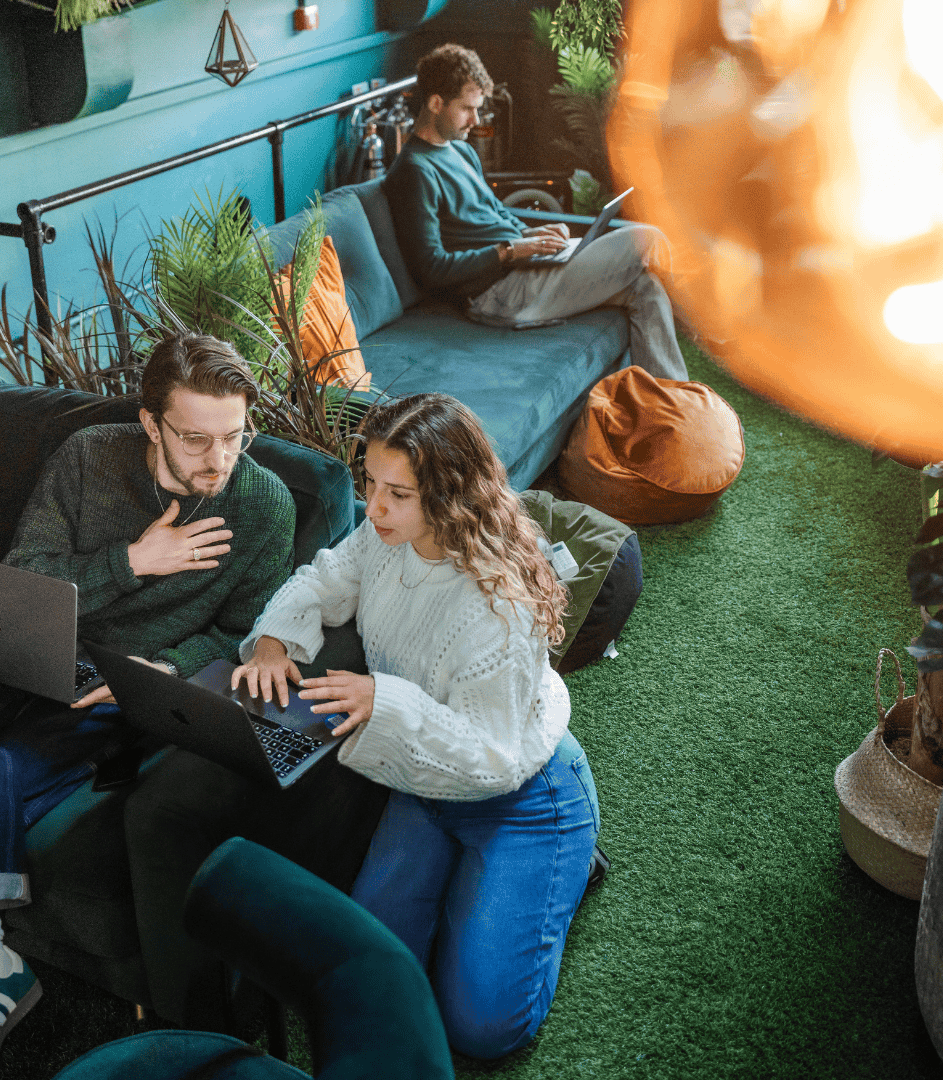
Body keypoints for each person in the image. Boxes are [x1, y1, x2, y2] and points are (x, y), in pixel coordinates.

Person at [0, 334, 297, 1080]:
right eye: (195, 439)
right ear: (150, 423)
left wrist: (166, 669)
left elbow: (244, 633)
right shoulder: (88, 457)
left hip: (118, 690)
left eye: (234, 436)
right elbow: (25, 572)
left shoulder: (265, 507)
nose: (219, 460)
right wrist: (132, 562)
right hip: (31, 649)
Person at [233, 393, 601, 1059]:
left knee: (481, 1028)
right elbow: (324, 580)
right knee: (375, 977)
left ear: (452, 496)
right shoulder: (383, 539)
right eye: (371, 483)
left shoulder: (499, 610)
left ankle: (568, 868)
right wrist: (272, 643)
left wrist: (387, 702)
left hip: (522, 798)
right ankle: (478, 888)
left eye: (397, 494)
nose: (373, 508)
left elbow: (494, 758)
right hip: (423, 789)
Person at [384, 43, 690, 382]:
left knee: (646, 289)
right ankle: (714, 328)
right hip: (497, 294)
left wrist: (531, 234)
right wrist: (510, 250)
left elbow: (495, 213)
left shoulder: (461, 151)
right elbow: (432, 268)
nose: (476, 120)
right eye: (467, 109)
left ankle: (671, 401)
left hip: (524, 269)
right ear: (435, 103)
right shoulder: (414, 171)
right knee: (647, 238)